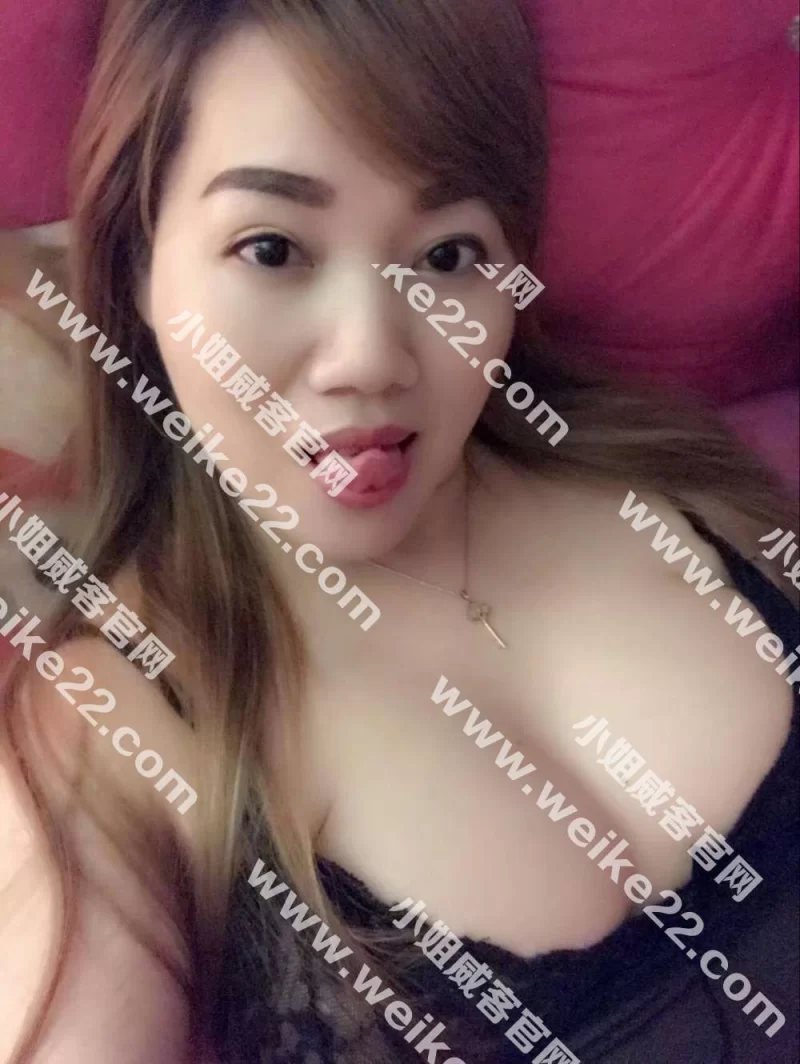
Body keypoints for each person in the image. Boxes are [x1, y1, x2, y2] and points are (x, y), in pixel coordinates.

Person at [1, 0, 797, 1061]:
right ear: (137, 263)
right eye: (273, 248)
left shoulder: (679, 477)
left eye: (447, 253)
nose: (370, 355)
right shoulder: (113, 736)